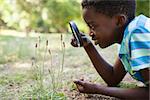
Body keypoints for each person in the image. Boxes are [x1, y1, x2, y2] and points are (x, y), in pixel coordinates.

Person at [70, 0, 150, 99]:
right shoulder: (128, 37)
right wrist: (88, 46)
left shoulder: (137, 33)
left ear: (119, 21)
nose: (90, 33)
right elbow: (113, 78)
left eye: (93, 26)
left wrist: (98, 89)